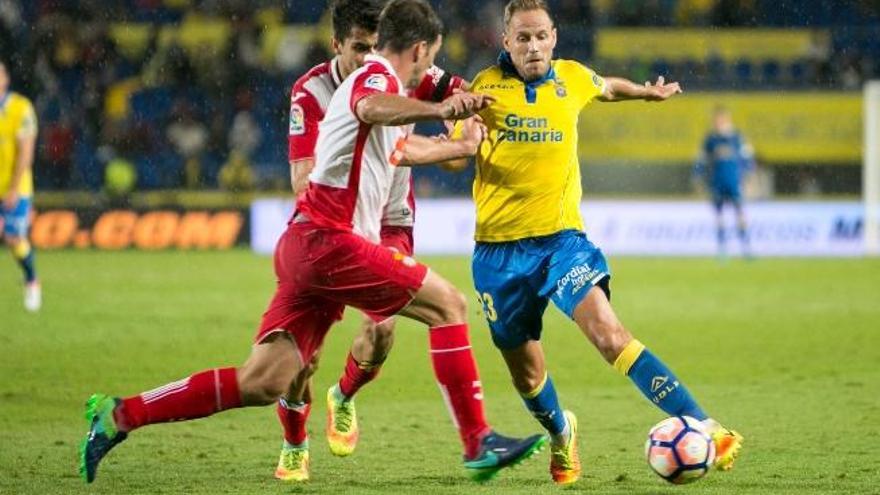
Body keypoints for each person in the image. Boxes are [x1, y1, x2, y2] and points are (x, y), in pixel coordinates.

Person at [79, 0, 546, 484]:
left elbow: (397, 142)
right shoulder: (377, 78)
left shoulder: (374, 79)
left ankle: (119, 415)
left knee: (263, 380)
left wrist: (460, 136)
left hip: (307, 243)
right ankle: (477, 442)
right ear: (421, 48)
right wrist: (439, 110)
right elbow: (373, 106)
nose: (430, 69)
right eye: (429, 58)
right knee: (448, 305)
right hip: (332, 240)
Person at [454, 0, 743, 485]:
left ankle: (706, 427)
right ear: (506, 41)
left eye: (540, 35)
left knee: (610, 335)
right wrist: (456, 139)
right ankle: (563, 435)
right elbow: (455, 155)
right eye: (522, 37)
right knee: (526, 375)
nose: (532, 46)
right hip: (498, 253)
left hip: (563, 242)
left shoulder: (572, 77)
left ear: (554, 37)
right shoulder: (482, 88)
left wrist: (644, 95)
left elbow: (608, 87)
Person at [279, 0, 470, 482]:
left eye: (375, 48)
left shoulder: (405, 70)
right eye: (358, 49)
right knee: (304, 356)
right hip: (332, 225)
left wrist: (462, 128)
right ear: (336, 45)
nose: (369, 60)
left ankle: (343, 396)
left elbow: (460, 92)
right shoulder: (313, 92)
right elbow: (303, 180)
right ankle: (294, 441)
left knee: (383, 329)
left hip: (390, 218)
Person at [0, 60, 40, 312]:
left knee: (14, 238)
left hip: (16, 187)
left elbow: (26, 153)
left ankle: (32, 281)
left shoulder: (20, 108)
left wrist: (13, 188)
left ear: (5, 79)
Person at [693, 105, 756, 259]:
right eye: (716, 120)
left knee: (740, 214)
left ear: (727, 119)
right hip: (717, 182)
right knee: (719, 216)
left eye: (721, 119)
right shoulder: (711, 139)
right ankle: (722, 249)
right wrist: (697, 176)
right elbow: (701, 160)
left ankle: (746, 248)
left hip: (734, 182)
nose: (718, 122)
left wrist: (749, 178)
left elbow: (748, 159)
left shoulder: (737, 137)